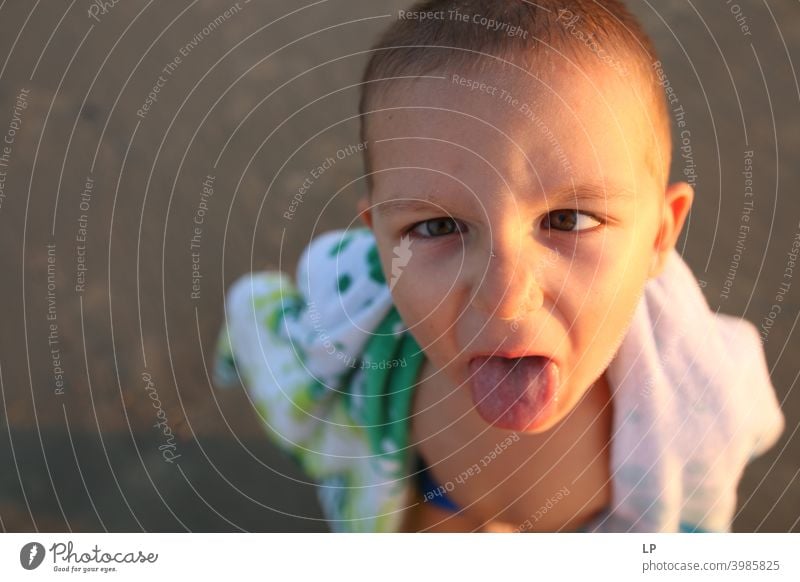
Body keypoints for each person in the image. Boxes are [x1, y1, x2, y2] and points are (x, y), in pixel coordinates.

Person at [213, 0, 785, 532]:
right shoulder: (355, 348)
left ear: (660, 234)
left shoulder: (700, 392)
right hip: (431, 496)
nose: (507, 295)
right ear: (384, 250)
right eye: (436, 227)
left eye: (569, 220)